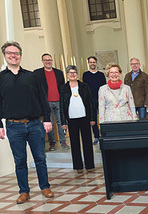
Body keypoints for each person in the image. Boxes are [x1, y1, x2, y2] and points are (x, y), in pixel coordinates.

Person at [0, 41, 54, 204]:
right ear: (5, 56)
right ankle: (24, 191)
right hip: (13, 125)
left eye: (16, 53)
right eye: (9, 53)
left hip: (35, 124)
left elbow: (43, 100)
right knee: (20, 161)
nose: (13, 55)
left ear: (20, 56)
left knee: (40, 158)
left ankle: (45, 187)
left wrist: (47, 120)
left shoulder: (32, 76)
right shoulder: (1, 79)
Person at [60, 65, 96, 174]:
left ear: (77, 74)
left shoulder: (84, 86)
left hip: (85, 118)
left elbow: (90, 103)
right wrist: (63, 122)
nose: (72, 74)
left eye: (74, 72)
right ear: (67, 75)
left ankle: (89, 165)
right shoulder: (63, 88)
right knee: (74, 143)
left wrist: (92, 118)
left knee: (87, 142)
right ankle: (78, 166)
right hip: (71, 119)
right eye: (70, 73)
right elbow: (62, 105)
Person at [33, 53, 69, 151]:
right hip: (46, 103)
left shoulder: (59, 72)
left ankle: (63, 141)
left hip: (58, 101)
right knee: (50, 124)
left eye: (49, 60)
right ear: (42, 61)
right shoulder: (37, 73)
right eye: (45, 60)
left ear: (52, 61)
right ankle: (52, 142)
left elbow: (62, 86)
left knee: (61, 122)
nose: (48, 62)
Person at [82, 56, 106, 145]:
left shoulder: (101, 74)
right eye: (90, 62)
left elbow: (104, 87)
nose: (92, 63)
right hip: (90, 99)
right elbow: (84, 87)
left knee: (103, 117)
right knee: (93, 119)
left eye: (94, 62)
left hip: (101, 98)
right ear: (88, 63)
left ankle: (104, 134)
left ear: (96, 63)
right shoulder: (85, 75)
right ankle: (96, 136)